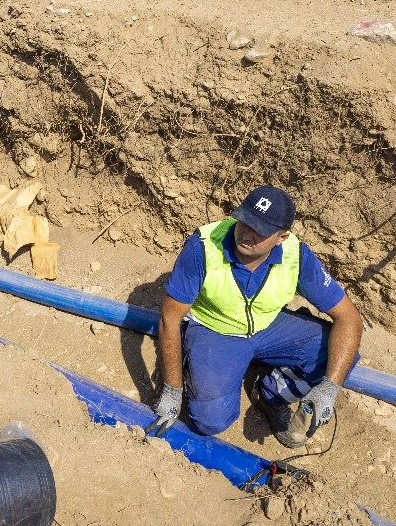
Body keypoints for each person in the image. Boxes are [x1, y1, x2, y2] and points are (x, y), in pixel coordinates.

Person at [148, 185, 362, 444]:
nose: (246, 235)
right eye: (244, 222)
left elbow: (349, 319)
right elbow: (168, 318)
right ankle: (200, 366)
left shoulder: (296, 255)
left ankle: (271, 394)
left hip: (268, 325)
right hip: (216, 330)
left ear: (281, 238)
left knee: (340, 352)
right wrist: (172, 390)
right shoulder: (202, 248)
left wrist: (329, 389)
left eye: (259, 231)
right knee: (210, 421)